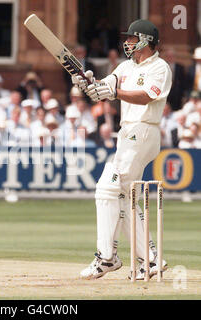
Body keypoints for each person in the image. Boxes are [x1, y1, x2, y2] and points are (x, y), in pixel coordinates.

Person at [72, 19, 172, 280]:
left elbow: (146, 96)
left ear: (145, 41)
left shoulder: (160, 67)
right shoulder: (126, 66)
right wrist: (88, 83)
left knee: (107, 187)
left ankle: (108, 257)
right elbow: (106, 88)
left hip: (145, 129)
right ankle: (149, 259)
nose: (127, 42)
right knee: (124, 196)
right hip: (127, 133)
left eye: (131, 38)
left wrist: (114, 92)